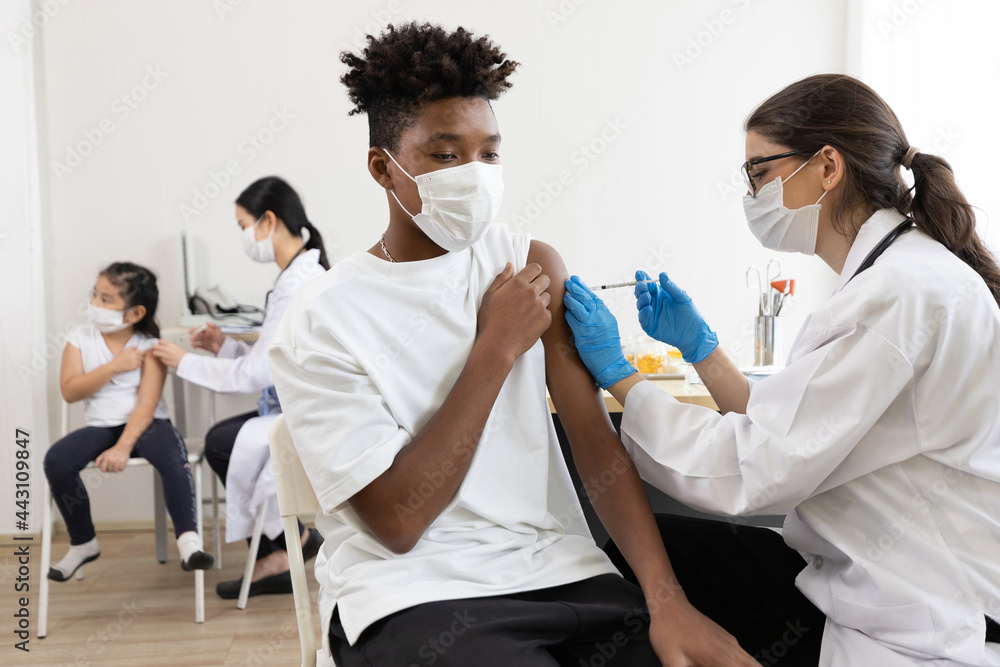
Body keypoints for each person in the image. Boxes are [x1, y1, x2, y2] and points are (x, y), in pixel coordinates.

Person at [269, 22, 757, 667]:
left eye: (489, 154)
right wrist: (495, 348)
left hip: (560, 572)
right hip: (412, 595)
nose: (474, 175)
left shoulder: (529, 264)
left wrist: (668, 602)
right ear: (383, 168)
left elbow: (595, 446)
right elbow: (398, 522)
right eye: (446, 156)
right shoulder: (322, 317)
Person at [563, 73, 1000, 666]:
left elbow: (756, 468)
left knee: (628, 576)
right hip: (886, 576)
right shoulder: (899, 274)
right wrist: (702, 350)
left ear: (828, 167)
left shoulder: (899, 295)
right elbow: (790, 428)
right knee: (662, 549)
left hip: (923, 614)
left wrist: (620, 376)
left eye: (759, 172)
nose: (751, 195)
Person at [152, 177, 327, 599]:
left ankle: (282, 549)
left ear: (269, 221)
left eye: (243, 225)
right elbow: (269, 360)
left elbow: (257, 374)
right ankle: (289, 543)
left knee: (219, 442)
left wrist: (184, 362)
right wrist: (224, 346)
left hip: (305, 412)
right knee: (222, 439)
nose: (244, 237)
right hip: (291, 403)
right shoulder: (294, 275)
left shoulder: (298, 282)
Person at [45, 262, 214, 581]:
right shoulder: (79, 337)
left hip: (147, 425)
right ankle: (83, 542)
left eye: (106, 299)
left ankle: (188, 542)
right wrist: (115, 366)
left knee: (172, 455)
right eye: (95, 294)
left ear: (134, 313)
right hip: (101, 427)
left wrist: (123, 448)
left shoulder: (150, 345)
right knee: (57, 460)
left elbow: (147, 404)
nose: (94, 304)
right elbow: (70, 390)